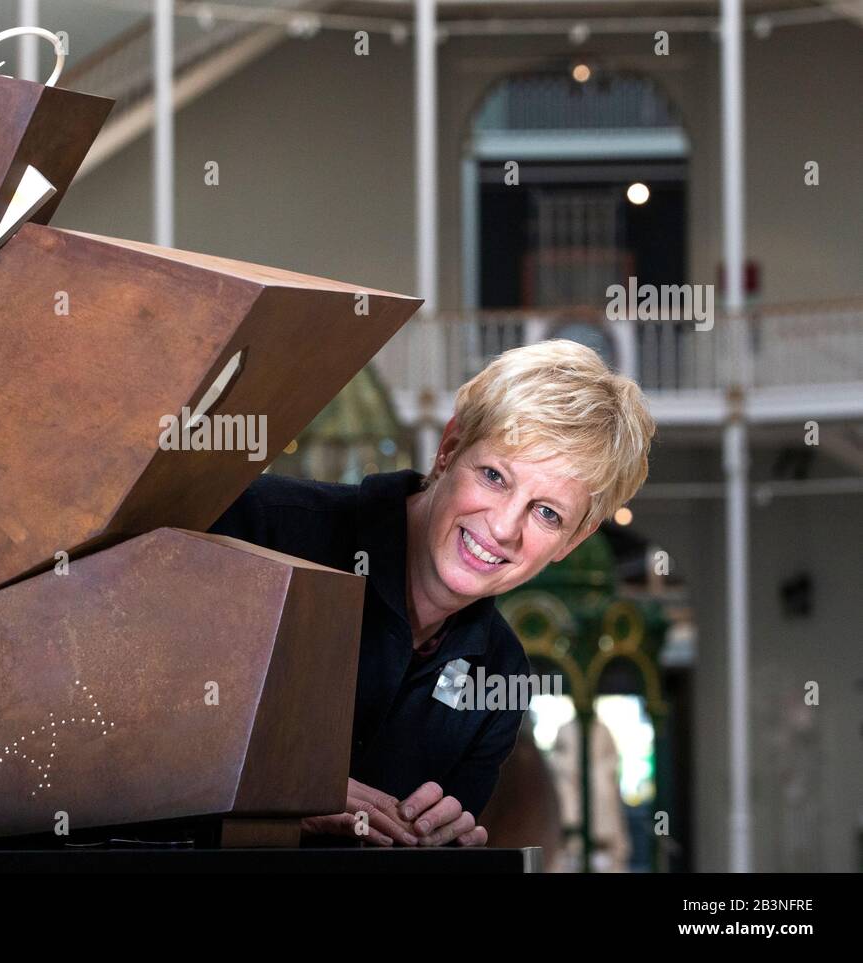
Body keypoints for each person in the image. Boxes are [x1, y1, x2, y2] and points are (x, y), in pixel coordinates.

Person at [208, 339, 655, 847]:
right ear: (448, 450)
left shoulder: (501, 676)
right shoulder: (256, 526)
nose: (505, 528)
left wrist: (446, 848)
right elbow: (108, 739)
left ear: (574, 541)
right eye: (494, 477)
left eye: (547, 513)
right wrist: (277, 797)